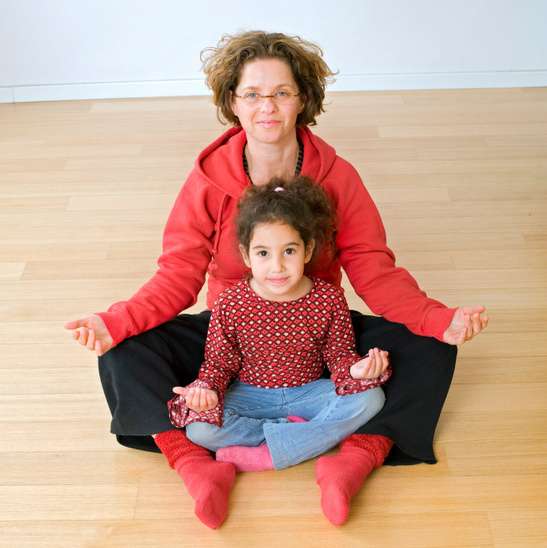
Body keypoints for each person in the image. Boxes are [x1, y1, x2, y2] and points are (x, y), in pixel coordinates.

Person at [64, 30, 488, 529]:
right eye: (252, 94)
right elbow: (178, 274)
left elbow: (373, 268)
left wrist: (436, 319)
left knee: (434, 348)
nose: (267, 106)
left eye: (281, 93)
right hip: (232, 336)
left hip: (321, 332)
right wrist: (115, 321)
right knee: (122, 352)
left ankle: (352, 459)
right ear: (233, 103)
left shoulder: (339, 176)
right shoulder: (207, 180)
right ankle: (199, 466)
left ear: (302, 99)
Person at [168, 176, 391, 481]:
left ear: (308, 250)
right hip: (250, 395)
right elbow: (219, 363)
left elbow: (339, 355)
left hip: (310, 392)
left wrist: (356, 371)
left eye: (289, 251)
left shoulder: (328, 298)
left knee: (371, 398)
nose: (277, 266)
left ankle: (268, 454)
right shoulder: (231, 302)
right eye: (263, 253)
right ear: (246, 255)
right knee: (199, 428)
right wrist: (205, 391)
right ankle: (301, 437)